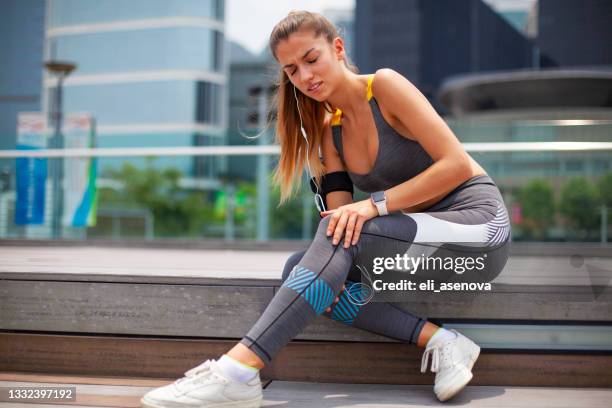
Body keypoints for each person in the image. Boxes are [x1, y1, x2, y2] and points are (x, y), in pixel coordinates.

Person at [141, 10, 511, 408]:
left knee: (341, 234)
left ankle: (237, 370)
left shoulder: (384, 86)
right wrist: (340, 196)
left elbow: (456, 164)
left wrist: (374, 205)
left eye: (311, 59)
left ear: (337, 48)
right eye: (293, 70)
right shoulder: (326, 132)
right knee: (302, 266)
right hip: (420, 248)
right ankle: (442, 341)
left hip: (479, 232)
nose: (305, 76)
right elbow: (340, 227)